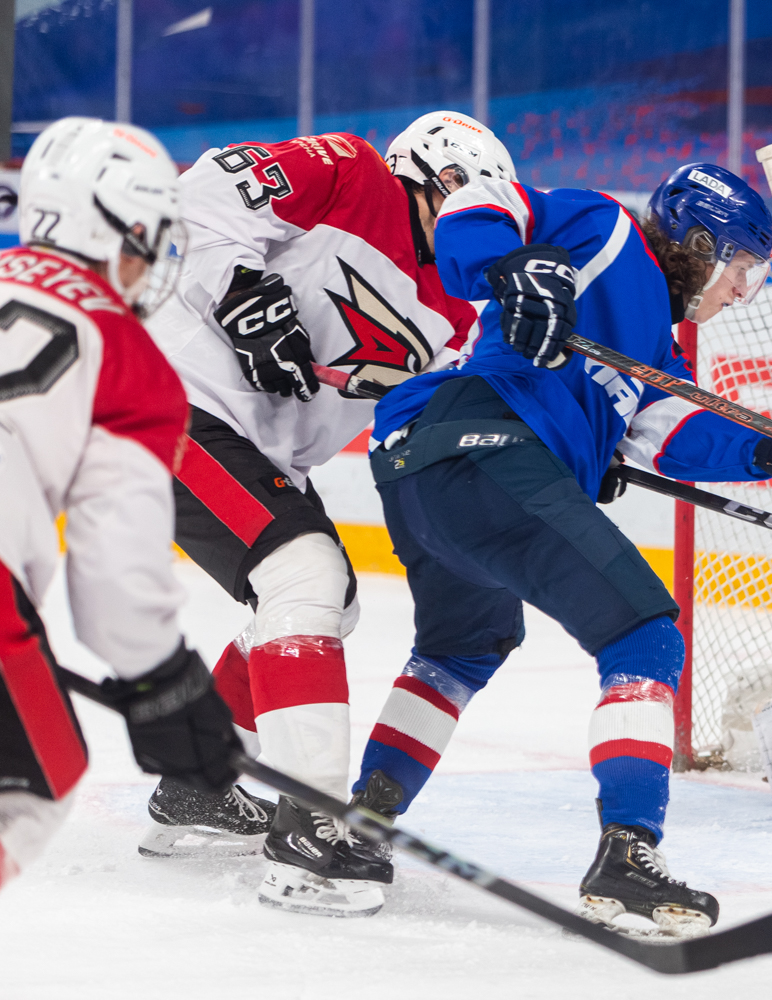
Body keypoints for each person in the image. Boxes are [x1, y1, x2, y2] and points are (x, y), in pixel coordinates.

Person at [350, 150, 772, 935]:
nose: (740, 291)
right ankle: (628, 853)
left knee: (461, 650)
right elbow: (484, 199)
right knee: (645, 636)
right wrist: (512, 269)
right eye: (740, 269)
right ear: (700, 244)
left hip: (425, 474)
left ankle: (358, 826)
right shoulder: (607, 228)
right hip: (479, 443)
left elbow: (671, 436)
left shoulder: (654, 348)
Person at [138, 111, 489, 917]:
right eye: (459, 192)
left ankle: (198, 783)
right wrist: (242, 291)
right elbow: (202, 195)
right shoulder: (352, 171)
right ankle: (310, 829)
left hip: (254, 445)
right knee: (305, 577)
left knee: (332, 602)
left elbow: (456, 407)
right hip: (174, 395)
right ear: (424, 174)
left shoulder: (461, 308)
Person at [0, 117, 241, 889]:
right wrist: (163, 682)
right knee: (39, 779)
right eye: (149, 240)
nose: (149, 263)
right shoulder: (125, 352)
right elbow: (114, 576)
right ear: (114, 227)